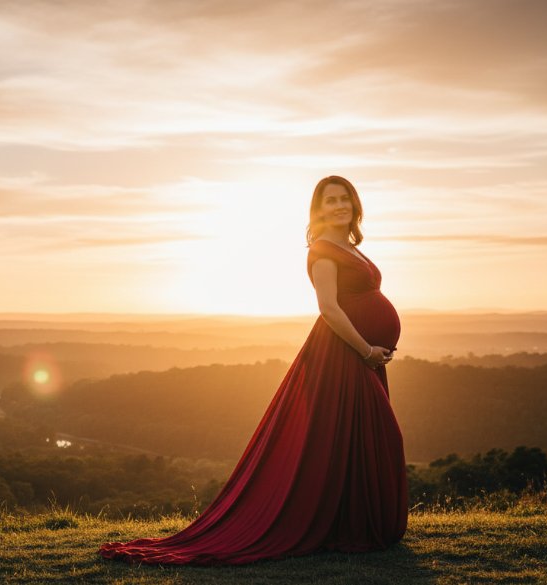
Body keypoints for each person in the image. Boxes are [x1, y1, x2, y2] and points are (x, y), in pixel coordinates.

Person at [98, 175, 408, 565]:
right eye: (330, 201)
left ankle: (354, 521)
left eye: (344, 198)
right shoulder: (325, 251)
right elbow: (328, 308)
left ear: (355, 203)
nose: (339, 205)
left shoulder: (350, 247)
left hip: (362, 355)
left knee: (356, 438)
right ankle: (352, 524)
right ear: (319, 210)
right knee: (374, 435)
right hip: (345, 355)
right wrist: (365, 350)